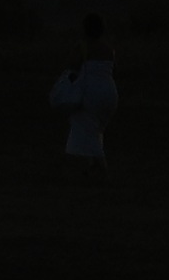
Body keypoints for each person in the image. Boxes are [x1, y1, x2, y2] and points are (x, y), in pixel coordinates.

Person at [50, 13, 119, 176]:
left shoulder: (83, 47)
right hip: (109, 92)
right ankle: (92, 167)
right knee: (94, 130)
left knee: (85, 127)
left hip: (91, 93)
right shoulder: (109, 49)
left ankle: (97, 167)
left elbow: (71, 65)